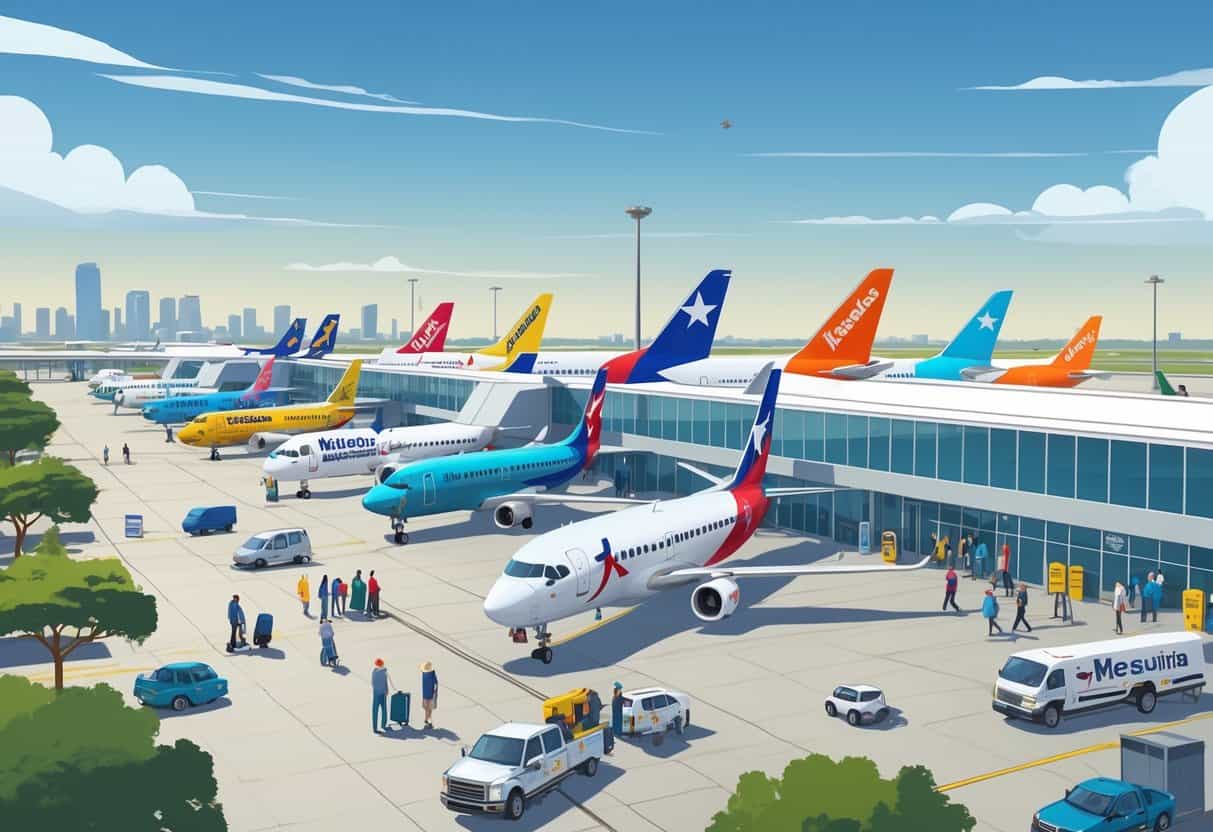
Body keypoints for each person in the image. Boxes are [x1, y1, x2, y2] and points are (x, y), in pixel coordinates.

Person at [371, 659, 391, 733]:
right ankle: (383, 725)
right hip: (382, 693)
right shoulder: (383, 672)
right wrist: (386, 690)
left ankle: (375, 728)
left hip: (376, 693)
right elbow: (385, 682)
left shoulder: (374, 672)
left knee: (375, 711)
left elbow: (373, 683)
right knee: (384, 710)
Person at [420, 660, 438, 729]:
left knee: (426, 708)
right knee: (429, 709)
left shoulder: (424, 674)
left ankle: (426, 720)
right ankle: (428, 721)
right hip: (430, 694)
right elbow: (436, 683)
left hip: (425, 694)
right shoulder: (432, 674)